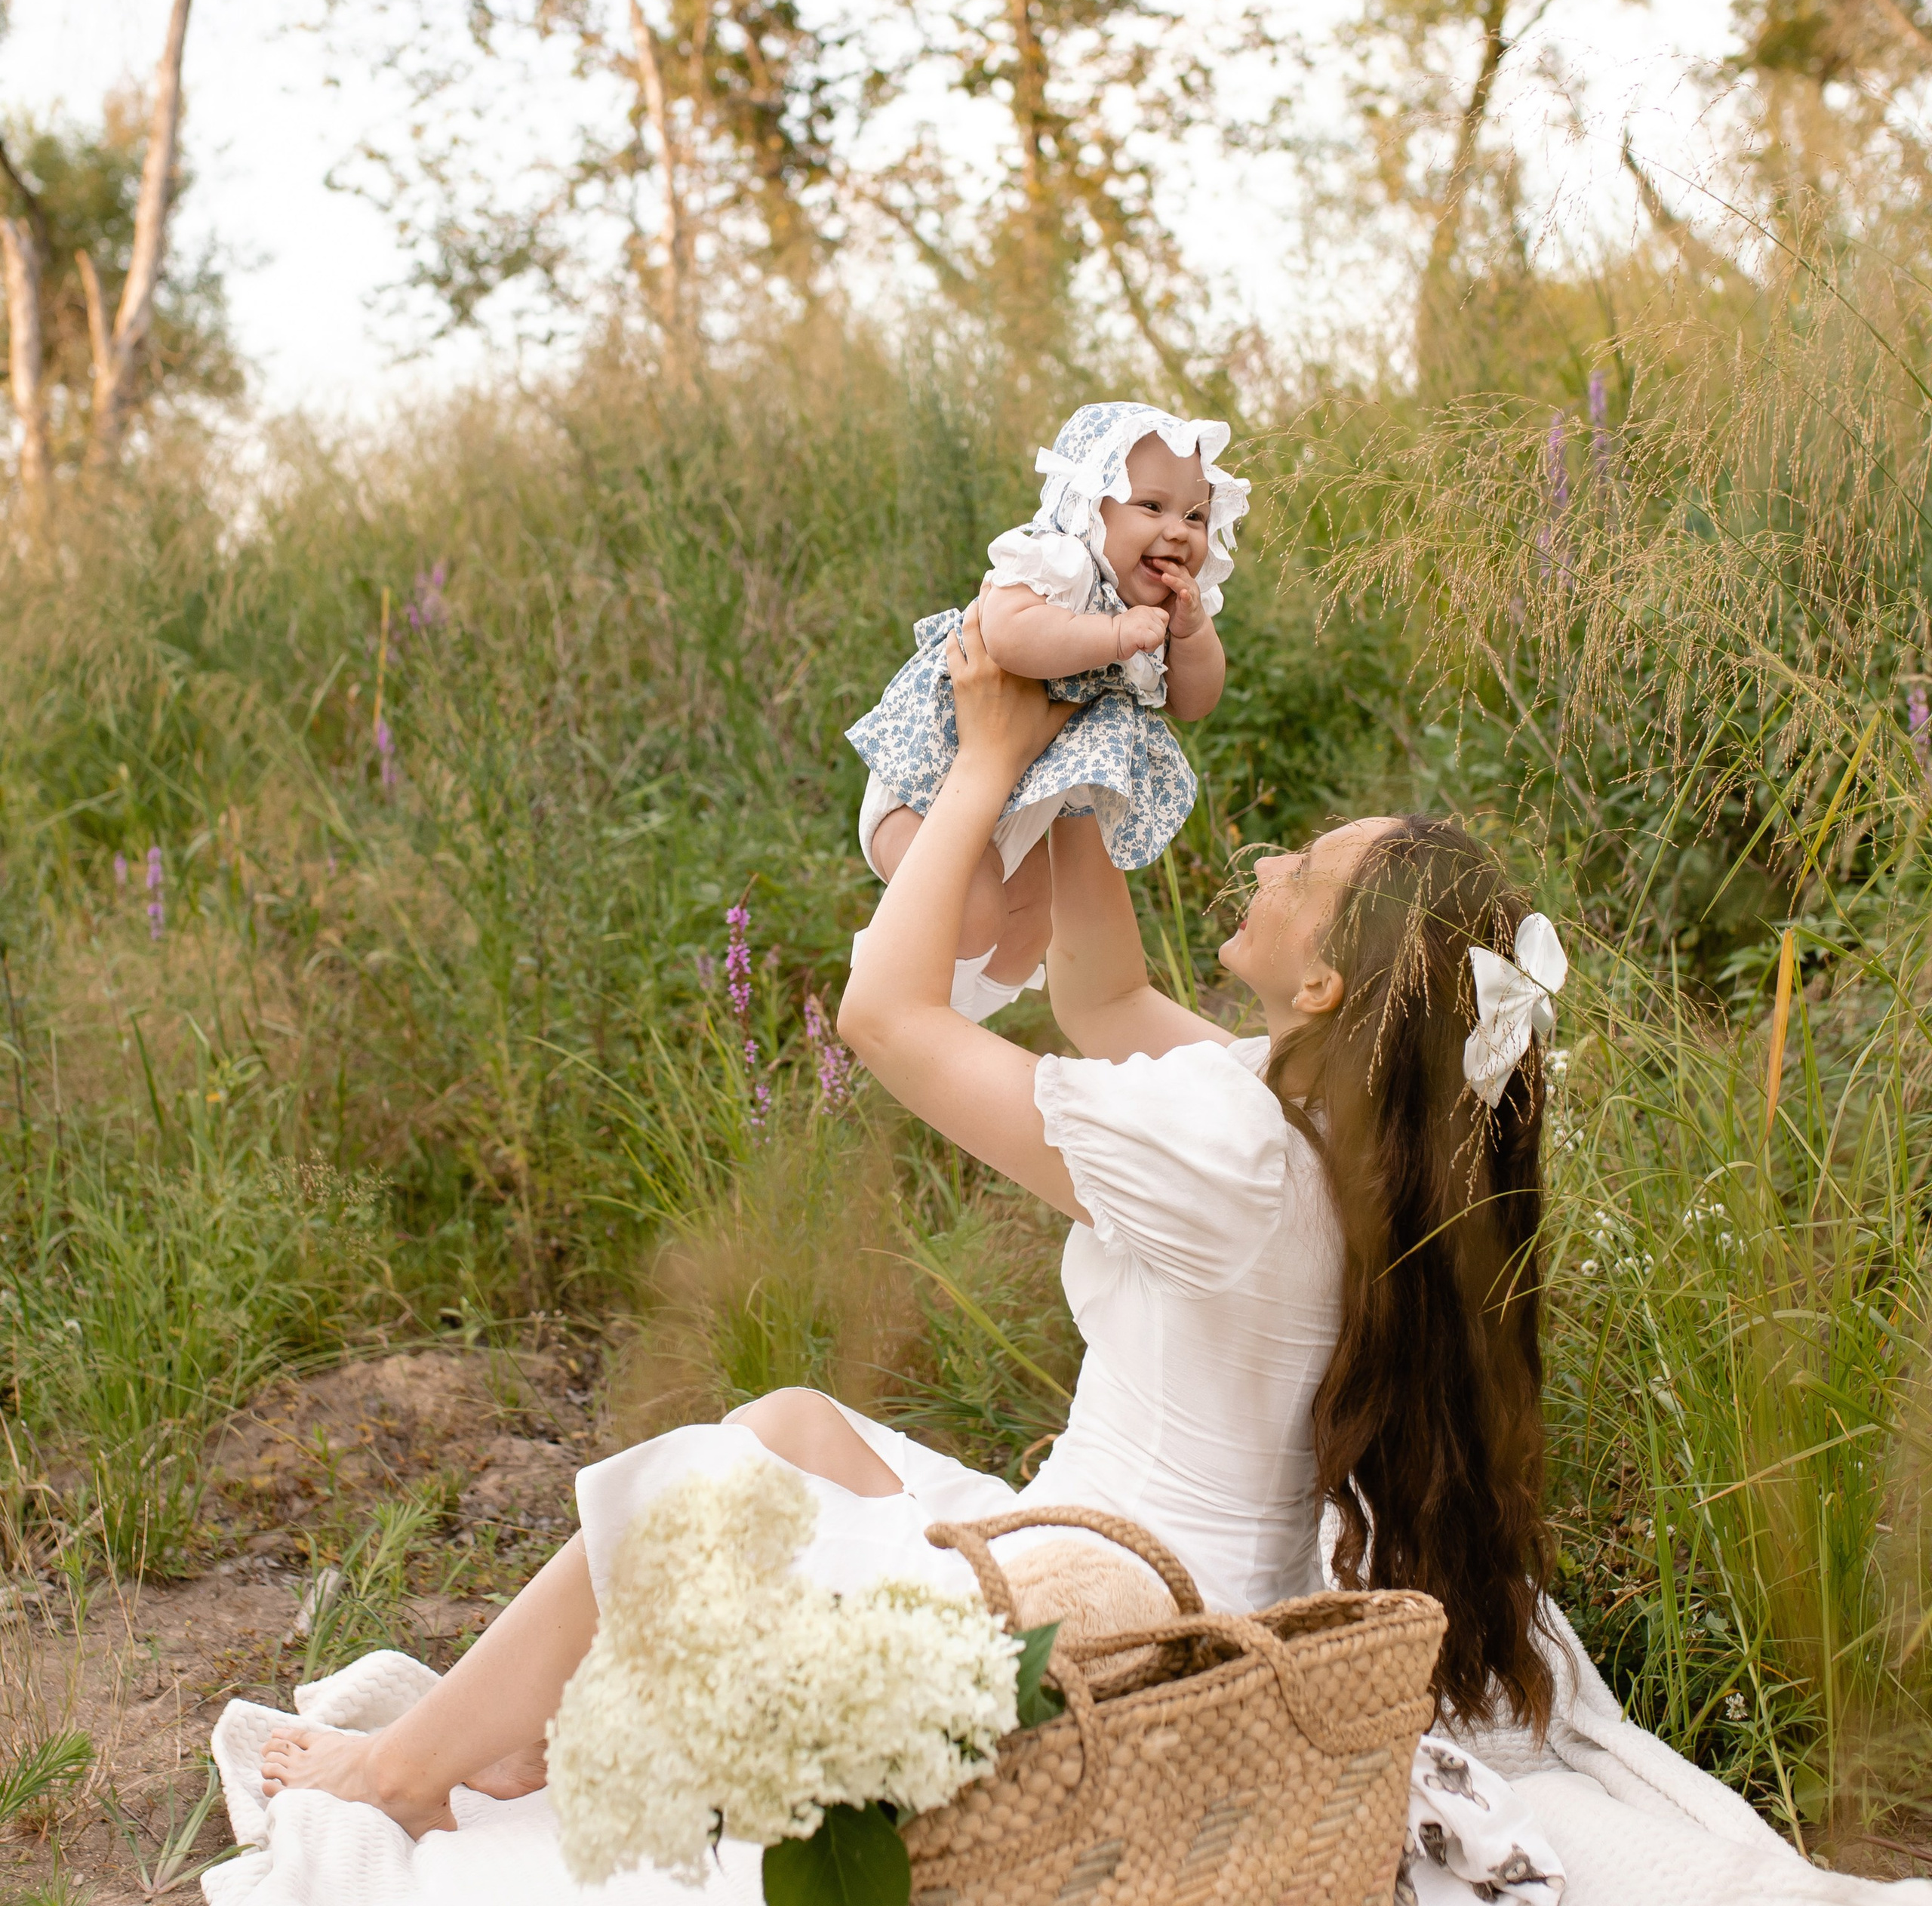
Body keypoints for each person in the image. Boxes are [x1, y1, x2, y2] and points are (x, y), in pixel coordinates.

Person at [258, 613, 1554, 1845]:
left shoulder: (1235, 1156)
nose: (1271, 861)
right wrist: (1068, 763)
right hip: (1178, 1590)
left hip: (1113, 1625)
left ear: (1324, 986)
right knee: (799, 1428)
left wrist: (986, 763)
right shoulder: (1346, 1138)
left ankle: (401, 1776)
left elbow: (885, 1020)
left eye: (1305, 869)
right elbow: (1105, 1001)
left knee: (719, 1477)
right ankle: (509, 1730)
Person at [845, 399, 1250, 1020]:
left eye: (1196, 516)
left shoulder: (1158, 611)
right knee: (977, 919)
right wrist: (1114, 638)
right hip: (927, 786)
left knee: (1029, 934)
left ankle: (953, 1023)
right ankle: (888, 989)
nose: (1179, 530)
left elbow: (1196, 703)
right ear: (1088, 505)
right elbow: (1008, 635)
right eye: (1152, 506)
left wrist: (1192, 634)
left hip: (1019, 799)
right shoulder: (1056, 562)